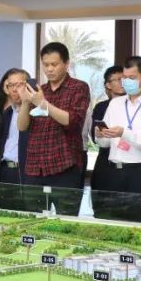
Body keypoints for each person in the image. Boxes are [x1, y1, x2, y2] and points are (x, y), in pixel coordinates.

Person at [18, 42, 91, 216]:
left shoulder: (78, 87)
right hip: (35, 166)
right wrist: (26, 102)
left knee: (66, 220)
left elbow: (72, 121)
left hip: (65, 166)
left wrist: (43, 104)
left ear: (66, 64)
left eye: (54, 64)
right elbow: (22, 126)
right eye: (45, 65)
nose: (49, 69)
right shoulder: (40, 90)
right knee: (32, 219)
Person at [95, 56, 141, 223]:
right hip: (113, 172)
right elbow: (105, 144)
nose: (127, 82)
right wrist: (101, 135)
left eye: (132, 78)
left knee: (139, 224)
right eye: (124, 78)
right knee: (113, 224)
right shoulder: (115, 103)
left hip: (140, 174)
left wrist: (124, 133)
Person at [0, 68, 32, 209]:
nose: (14, 89)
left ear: (28, 85)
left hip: (26, 173)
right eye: (11, 85)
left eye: (19, 84)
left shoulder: (37, 112)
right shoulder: (7, 113)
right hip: (4, 170)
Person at [89, 65, 124, 195]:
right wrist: (101, 134)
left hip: (129, 162)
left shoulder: (134, 105)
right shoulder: (101, 107)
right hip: (106, 160)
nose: (123, 82)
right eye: (118, 79)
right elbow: (96, 134)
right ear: (108, 85)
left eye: (125, 79)